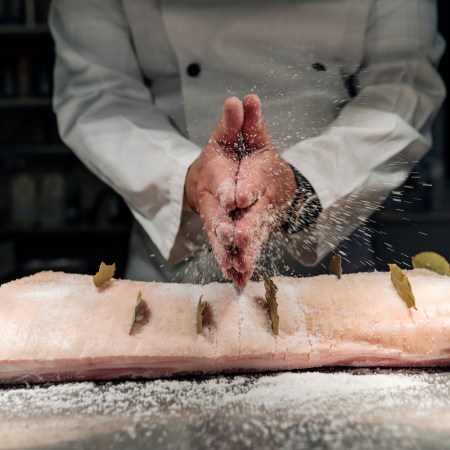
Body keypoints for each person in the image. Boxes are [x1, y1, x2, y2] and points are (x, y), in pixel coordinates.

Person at [49, 0, 446, 288]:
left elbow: (403, 84)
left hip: (332, 269)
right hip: (178, 273)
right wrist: (190, 178)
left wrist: (302, 187)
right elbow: (99, 97)